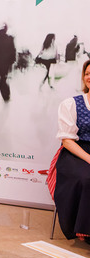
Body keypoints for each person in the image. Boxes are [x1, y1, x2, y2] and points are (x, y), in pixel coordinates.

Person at [50, 59, 90, 243]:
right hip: (76, 150)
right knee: (86, 178)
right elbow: (67, 140)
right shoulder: (72, 104)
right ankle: (84, 231)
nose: (89, 77)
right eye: (87, 73)